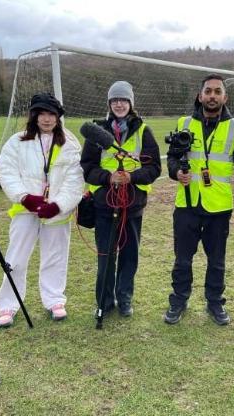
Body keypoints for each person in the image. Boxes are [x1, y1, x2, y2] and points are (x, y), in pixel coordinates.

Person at [164, 74, 234, 326]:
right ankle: (179, 300)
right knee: (182, 259)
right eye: (208, 91)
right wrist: (177, 172)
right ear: (200, 95)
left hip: (219, 207)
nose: (212, 96)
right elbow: (171, 159)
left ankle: (215, 302)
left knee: (217, 261)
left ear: (225, 97)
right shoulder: (184, 123)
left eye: (217, 92)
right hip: (187, 204)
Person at [0, 92, 84, 327]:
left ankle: (54, 300)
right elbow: (7, 171)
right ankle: (8, 305)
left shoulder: (70, 143)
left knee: (55, 256)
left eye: (51, 114)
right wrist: (25, 198)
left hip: (57, 212)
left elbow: (75, 180)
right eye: (42, 114)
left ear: (58, 117)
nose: (46, 119)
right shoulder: (17, 141)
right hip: (26, 210)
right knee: (16, 257)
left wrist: (58, 204)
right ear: (34, 116)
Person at [81, 81, 161, 318]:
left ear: (130, 104)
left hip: (133, 205)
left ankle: (124, 298)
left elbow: (154, 167)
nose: (119, 104)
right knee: (106, 256)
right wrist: (109, 178)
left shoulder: (143, 131)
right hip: (104, 205)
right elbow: (87, 168)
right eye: (115, 100)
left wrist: (131, 177)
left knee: (129, 256)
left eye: (123, 100)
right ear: (109, 103)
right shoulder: (97, 131)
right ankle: (104, 302)